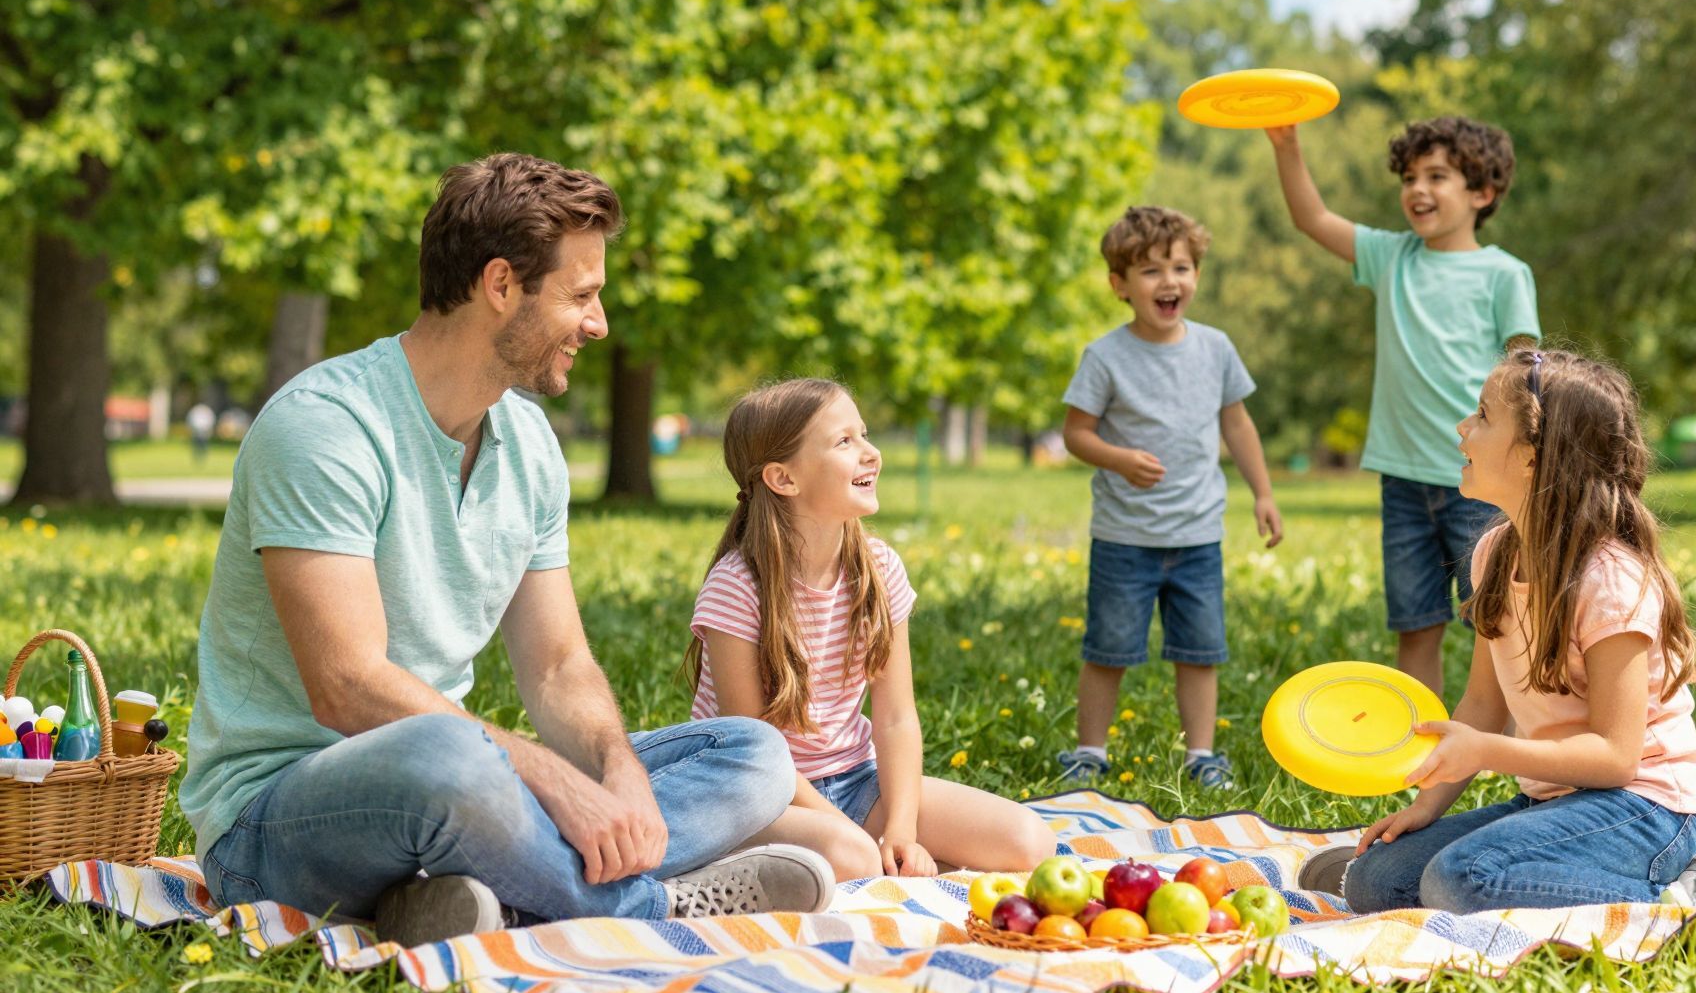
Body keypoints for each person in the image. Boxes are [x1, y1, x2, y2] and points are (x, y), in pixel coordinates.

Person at [181, 153, 825, 947]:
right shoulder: (325, 427)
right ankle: (649, 908)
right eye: (580, 296)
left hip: (459, 784)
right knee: (453, 760)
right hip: (274, 821)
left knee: (753, 753)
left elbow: (557, 665)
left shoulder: (529, 444)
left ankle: (489, 898)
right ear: (499, 285)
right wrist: (546, 777)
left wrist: (617, 772)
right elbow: (346, 688)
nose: (599, 323)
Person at [1297, 349, 1696, 925]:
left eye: (1482, 416)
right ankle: (1541, 878)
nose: (1463, 427)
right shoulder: (1496, 554)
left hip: (1646, 810)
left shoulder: (1610, 581)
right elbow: (1482, 706)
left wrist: (1488, 754)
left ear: (1532, 456)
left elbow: (1617, 758)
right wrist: (1427, 809)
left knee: (1460, 880)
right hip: (1555, 799)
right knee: (1374, 881)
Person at [685, 379, 1057, 879]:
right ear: (783, 478)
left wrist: (901, 829)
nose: (871, 453)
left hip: (856, 780)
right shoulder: (737, 585)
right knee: (854, 857)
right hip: (762, 793)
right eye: (845, 441)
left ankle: (870, 861)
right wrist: (854, 836)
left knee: (1029, 842)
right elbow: (755, 751)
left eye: (864, 434)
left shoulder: (878, 568)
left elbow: (896, 717)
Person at [1266, 116, 1539, 696]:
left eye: (1436, 176)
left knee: (1499, 625)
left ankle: (1510, 736)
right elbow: (1311, 218)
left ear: (1482, 192)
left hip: (1481, 482)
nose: (1417, 189)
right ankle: (1424, 736)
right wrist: (1287, 145)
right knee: (1415, 627)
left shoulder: (1504, 273)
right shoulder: (1392, 257)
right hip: (1404, 483)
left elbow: (1527, 378)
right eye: (1410, 177)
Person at [1055, 206, 1284, 791]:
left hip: (1197, 536)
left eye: (1181, 268)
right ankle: (1089, 752)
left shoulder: (1215, 348)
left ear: (1196, 276)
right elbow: (1076, 433)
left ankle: (1201, 755)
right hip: (1125, 538)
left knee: (1199, 651)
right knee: (1107, 649)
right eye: (1151, 270)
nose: (1169, 281)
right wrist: (1118, 458)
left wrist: (1262, 492)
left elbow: (1238, 425)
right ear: (1120, 285)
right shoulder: (1105, 356)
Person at [187, 401, 216, 466]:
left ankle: (202, 457)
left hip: (204, 432)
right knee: (196, 446)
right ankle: (197, 458)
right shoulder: (196, 410)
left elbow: (211, 419)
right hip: (196, 432)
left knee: (203, 446)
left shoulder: (206, 411)